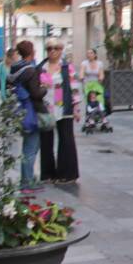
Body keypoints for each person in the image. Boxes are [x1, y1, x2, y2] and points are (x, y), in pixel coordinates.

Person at [8, 40, 48, 193]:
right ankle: (27, 182)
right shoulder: (30, 70)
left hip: (19, 110)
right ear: (32, 52)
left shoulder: (15, 68)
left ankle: (26, 179)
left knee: (27, 146)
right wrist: (44, 88)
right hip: (31, 111)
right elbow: (36, 93)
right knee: (31, 147)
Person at [39, 38, 80, 183]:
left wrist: (76, 107)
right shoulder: (41, 67)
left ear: (61, 50)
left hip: (64, 108)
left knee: (66, 140)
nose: (52, 51)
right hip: (46, 109)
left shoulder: (66, 67)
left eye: (55, 48)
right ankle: (48, 174)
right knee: (46, 142)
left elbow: (74, 87)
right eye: (49, 48)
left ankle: (67, 174)